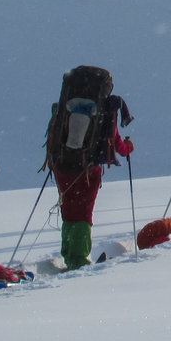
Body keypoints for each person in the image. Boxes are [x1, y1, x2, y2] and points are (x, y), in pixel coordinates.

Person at [55, 95, 133, 270]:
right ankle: (79, 259)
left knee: (68, 208)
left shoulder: (67, 108)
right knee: (83, 212)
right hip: (88, 170)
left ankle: (68, 254)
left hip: (63, 165)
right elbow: (117, 143)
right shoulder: (103, 112)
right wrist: (128, 148)